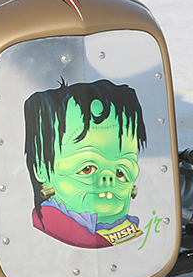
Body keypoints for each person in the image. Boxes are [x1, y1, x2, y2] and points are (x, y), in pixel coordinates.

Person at [23, 79, 146, 249]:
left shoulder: (130, 230)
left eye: (121, 171)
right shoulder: (55, 233)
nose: (108, 179)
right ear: (41, 169)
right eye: (87, 169)